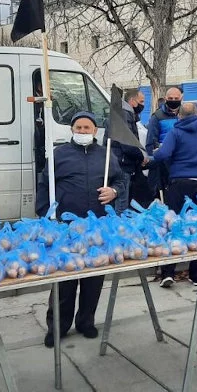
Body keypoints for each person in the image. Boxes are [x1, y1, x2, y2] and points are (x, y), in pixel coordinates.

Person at [37, 112, 125, 348]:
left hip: (97, 226)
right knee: (64, 280)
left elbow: (120, 180)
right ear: (72, 130)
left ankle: (86, 321)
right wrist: (46, 216)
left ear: (95, 131)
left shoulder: (106, 155)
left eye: (87, 128)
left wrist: (114, 192)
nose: (83, 131)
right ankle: (57, 327)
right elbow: (44, 185)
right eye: (79, 127)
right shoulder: (59, 155)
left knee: (93, 279)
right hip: (66, 228)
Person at [152, 103, 197, 288]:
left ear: (179, 116)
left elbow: (163, 154)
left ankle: (168, 273)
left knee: (175, 225)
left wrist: (157, 154)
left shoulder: (175, 133)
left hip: (180, 183)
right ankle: (196, 275)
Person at [105, 89, 148, 212]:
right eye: (141, 101)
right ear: (132, 101)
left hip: (118, 160)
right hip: (122, 163)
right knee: (121, 203)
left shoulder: (123, 113)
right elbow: (127, 142)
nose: (143, 105)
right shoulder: (125, 115)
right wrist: (141, 157)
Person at [146, 86, 182, 199]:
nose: (173, 101)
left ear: (181, 98)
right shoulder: (157, 117)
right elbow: (150, 143)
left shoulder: (185, 115)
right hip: (163, 166)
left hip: (181, 164)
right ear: (165, 98)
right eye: (170, 98)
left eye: (176, 98)